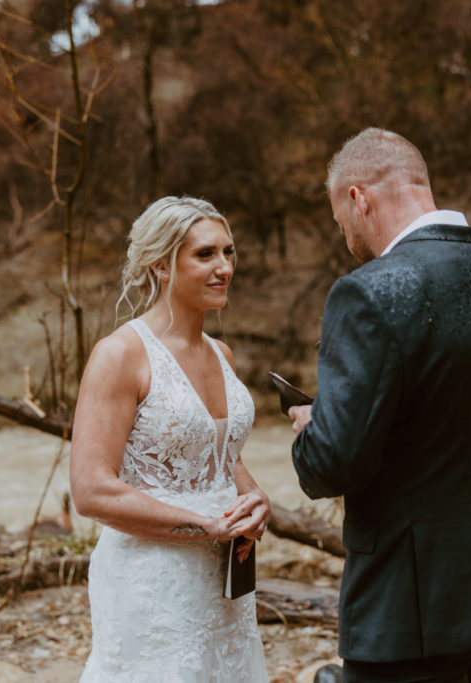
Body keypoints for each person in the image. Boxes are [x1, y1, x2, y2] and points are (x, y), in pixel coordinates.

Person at [288, 128, 471, 683]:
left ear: (357, 198)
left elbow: (330, 465)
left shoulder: (368, 291)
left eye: (339, 221)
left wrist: (310, 427)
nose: (345, 237)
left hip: (404, 609)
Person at [70, 196, 270, 682]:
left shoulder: (222, 353)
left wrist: (254, 498)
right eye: (205, 254)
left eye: (229, 252)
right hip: (152, 583)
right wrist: (207, 526)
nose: (224, 267)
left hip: (224, 582)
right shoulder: (120, 355)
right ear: (161, 263)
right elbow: (91, 490)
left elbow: (219, 457)